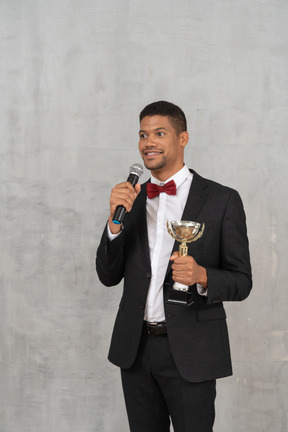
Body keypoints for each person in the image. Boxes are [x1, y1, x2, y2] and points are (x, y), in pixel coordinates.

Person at [96, 101, 252, 432]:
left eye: (159, 133)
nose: (148, 142)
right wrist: (113, 225)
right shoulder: (131, 200)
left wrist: (203, 276)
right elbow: (108, 275)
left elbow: (242, 281)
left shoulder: (222, 200)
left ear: (183, 138)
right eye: (142, 134)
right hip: (135, 350)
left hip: (191, 350)